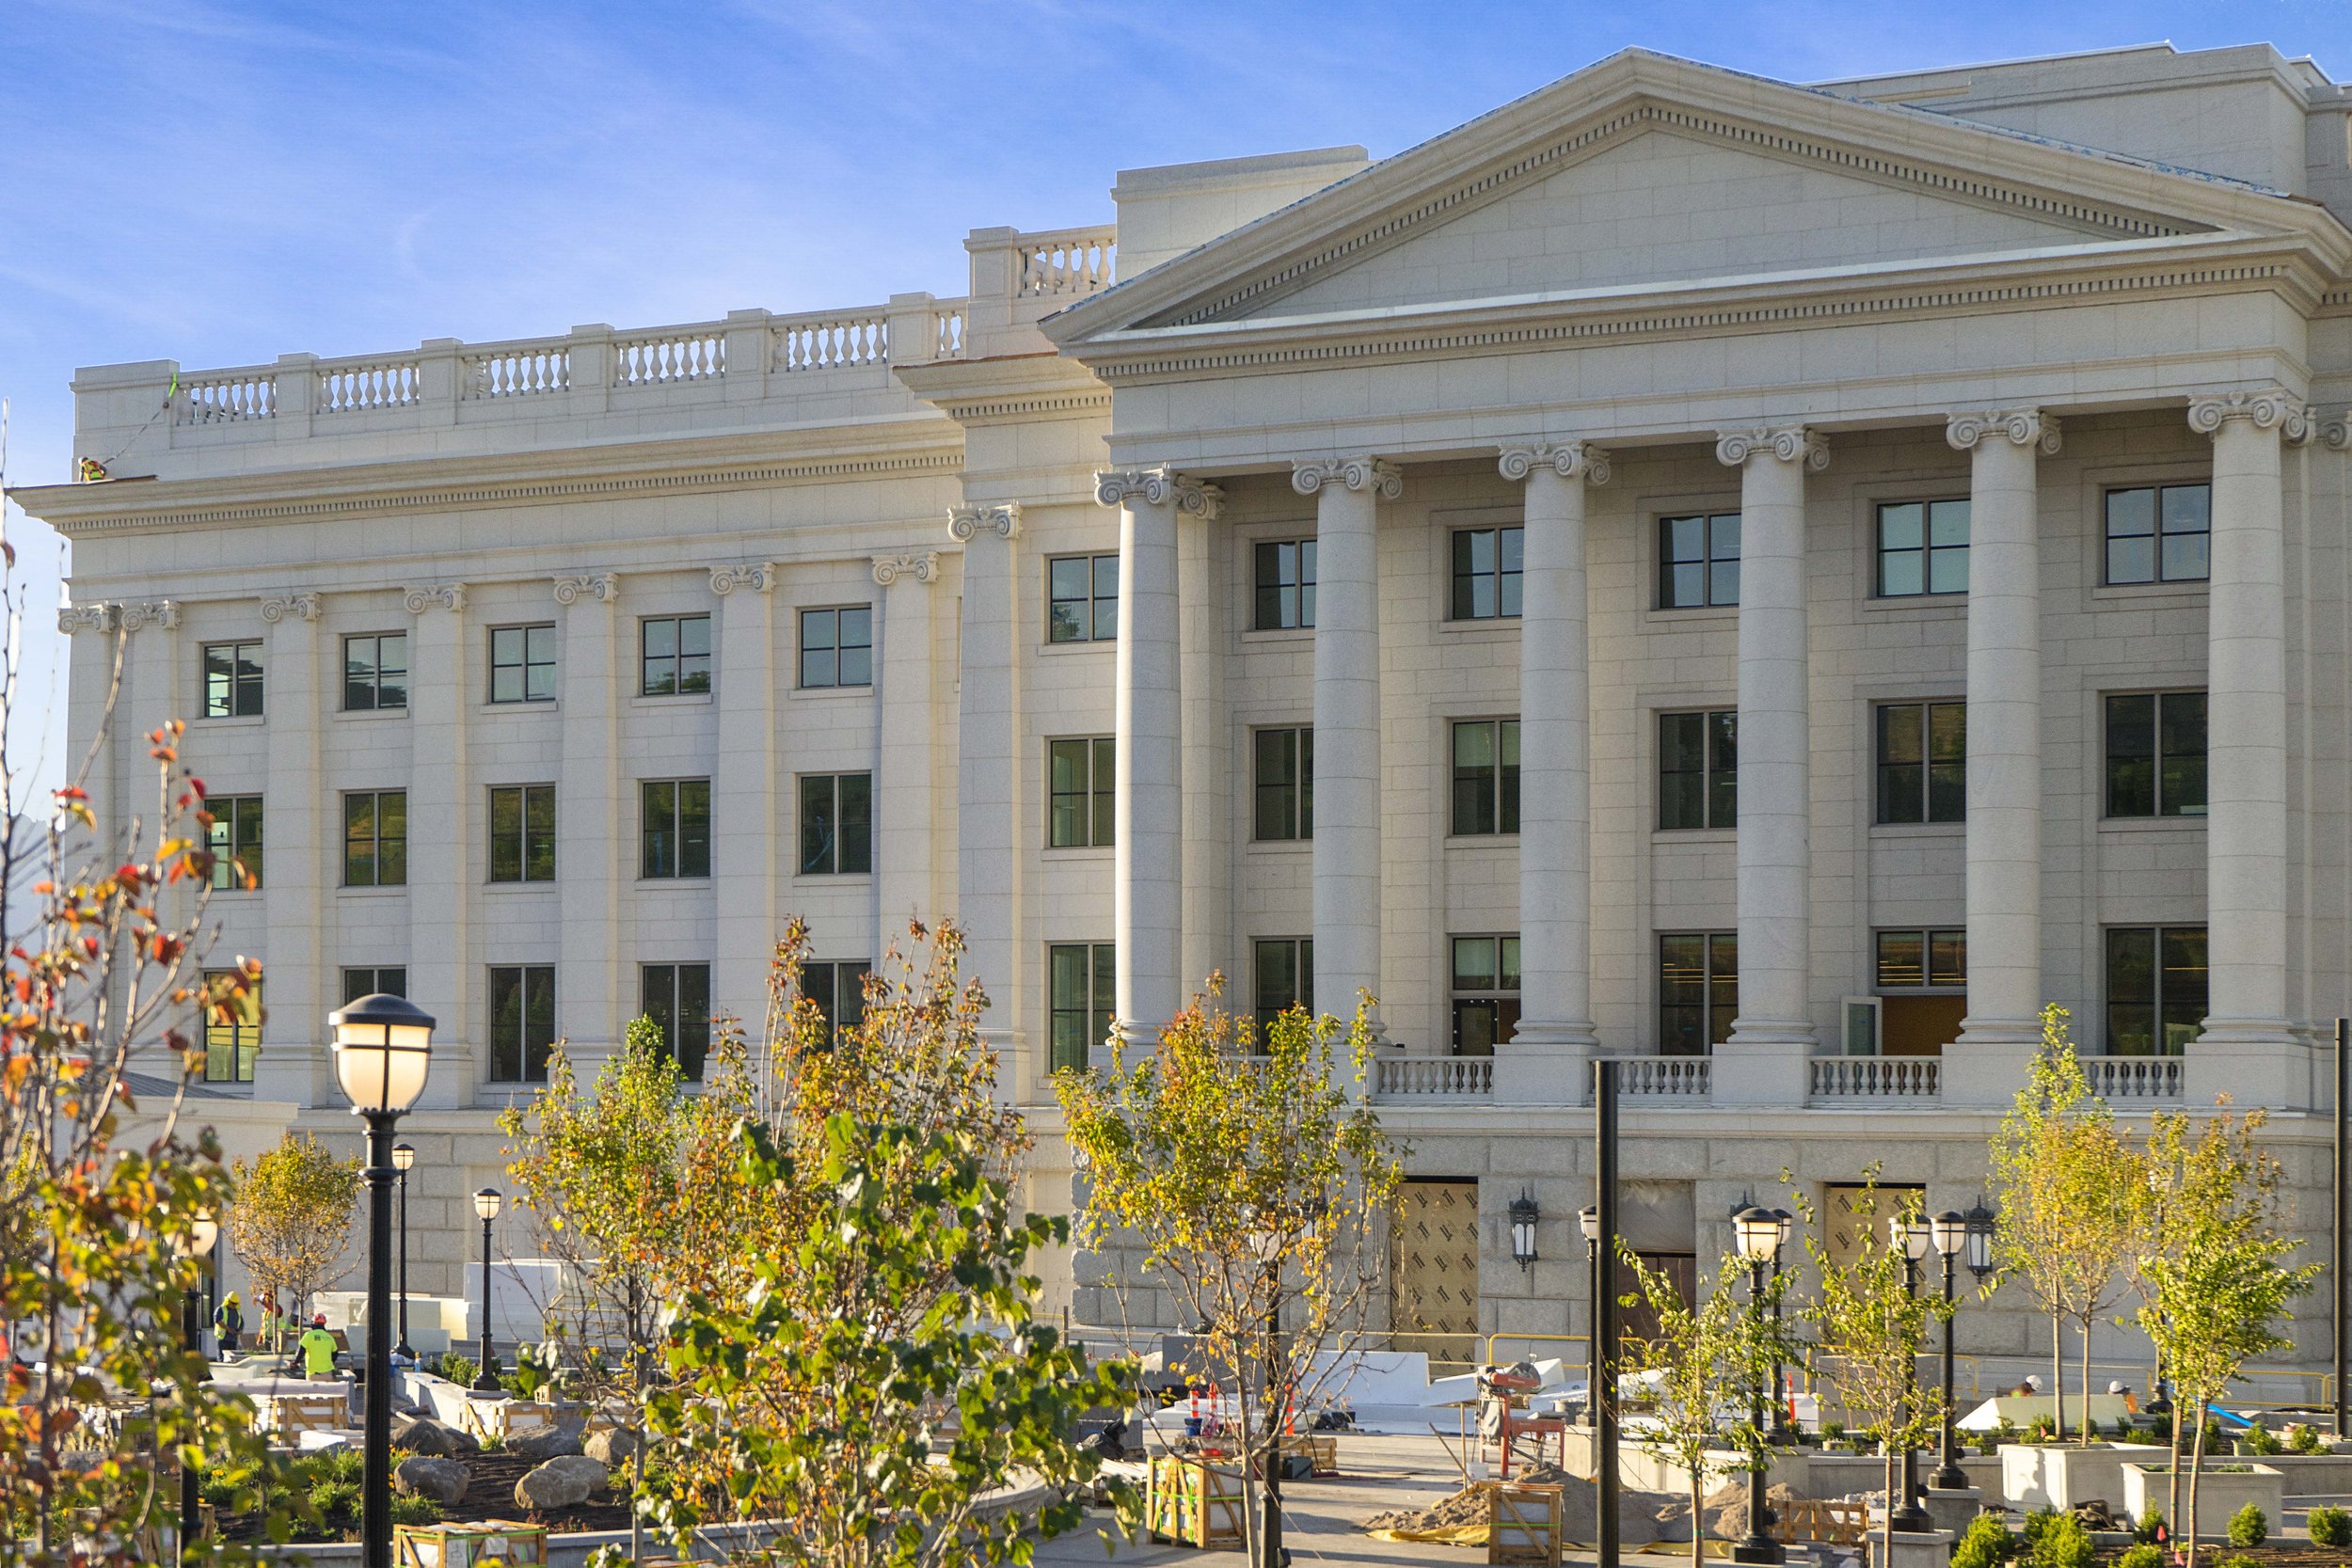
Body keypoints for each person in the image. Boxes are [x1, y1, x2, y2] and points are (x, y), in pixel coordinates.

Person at [298, 1313, 341, 1382]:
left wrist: (295, 1362)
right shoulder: (329, 1337)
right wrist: (331, 1362)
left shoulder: (308, 1335)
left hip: (313, 1373)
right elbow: (335, 1353)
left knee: (313, 1392)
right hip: (329, 1373)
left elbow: (301, 1350)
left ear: (313, 1323)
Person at [212, 1292, 244, 1357]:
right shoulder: (221, 1309)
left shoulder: (237, 1311)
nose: (234, 1305)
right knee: (222, 1357)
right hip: (223, 1338)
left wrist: (240, 1330)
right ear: (228, 1301)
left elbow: (241, 1322)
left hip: (233, 1339)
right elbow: (217, 1320)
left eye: (236, 1304)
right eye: (233, 1303)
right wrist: (228, 1329)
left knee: (232, 1358)